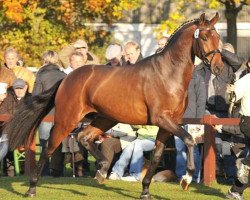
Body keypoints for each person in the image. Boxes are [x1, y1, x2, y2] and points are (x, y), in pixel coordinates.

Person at [195, 42, 244, 183]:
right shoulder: (206, 66)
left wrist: (221, 50)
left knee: (225, 145)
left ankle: (230, 176)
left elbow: (238, 61)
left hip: (224, 111)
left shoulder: (229, 68)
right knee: (212, 143)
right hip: (207, 109)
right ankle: (213, 176)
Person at [33, 50, 66, 176]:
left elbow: (36, 96)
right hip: (61, 115)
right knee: (58, 144)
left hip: (46, 115)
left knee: (44, 144)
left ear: (44, 60)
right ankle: (58, 171)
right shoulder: (64, 76)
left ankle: (44, 171)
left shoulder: (41, 75)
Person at [175, 62, 206, 183]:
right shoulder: (177, 79)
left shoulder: (198, 78)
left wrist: (198, 122)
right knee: (180, 150)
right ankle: (180, 177)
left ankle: (194, 178)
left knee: (194, 150)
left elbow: (201, 101)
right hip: (177, 121)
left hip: (193, 121)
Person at [222, 69, 250, 200]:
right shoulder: (247, 79)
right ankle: (245, 163)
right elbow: (232, 97)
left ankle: (235, 191)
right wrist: (231, 92)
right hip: (249, 120)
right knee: (247, 164)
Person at [0, 78, 31, 176]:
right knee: (4, 140)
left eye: (21, 88)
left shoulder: (30, 99)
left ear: (25, 88)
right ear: (13, 89)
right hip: (7, 129)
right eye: (16, 88)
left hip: (22, 131)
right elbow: (2, 112)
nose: (19, 91)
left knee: (5, 141)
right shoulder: (8, 98)